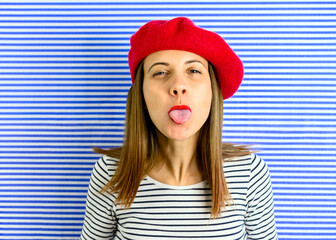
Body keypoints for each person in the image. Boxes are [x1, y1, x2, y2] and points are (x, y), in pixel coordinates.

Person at [80, 17, 278, 240]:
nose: (178, 86)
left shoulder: (249, 173)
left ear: (213, 92)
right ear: (141, 95)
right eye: (160, 72)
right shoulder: (110, 172)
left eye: (193, 71)